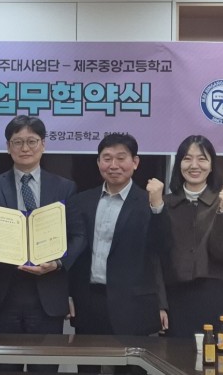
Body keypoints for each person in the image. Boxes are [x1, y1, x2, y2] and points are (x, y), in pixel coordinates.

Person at [0, 115, 80, 373]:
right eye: (17, 142)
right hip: (4, 291)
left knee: (45, 367)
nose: (25, 148)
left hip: (47, 292)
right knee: (7, 367)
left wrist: (57, 263)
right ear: (8, 147)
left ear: (43, 144)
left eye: (32, 141)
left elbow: (78, 236)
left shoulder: (64, 187)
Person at [67, 133, 170, 374]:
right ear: (98, 163)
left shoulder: (149, 202)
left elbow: (161, 249)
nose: (114, 165)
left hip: (132, 305)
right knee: (88, 369)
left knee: (130, 370)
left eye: (121, 158)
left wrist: (157, 206)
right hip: (89, 302)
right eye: (107, 158)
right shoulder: (81, 201)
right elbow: (74, 253)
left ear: (135, 162)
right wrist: (68, 294)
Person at [160, 135, 223, 338]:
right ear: (179, 165)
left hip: (214, 293)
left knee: (212, 354)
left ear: (212, 166)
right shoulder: (164, 204)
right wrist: (160, 302)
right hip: (174, 293)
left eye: (202, 159)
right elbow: (156, 256)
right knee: (173, 353)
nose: (194, 165)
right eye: (187, 159)